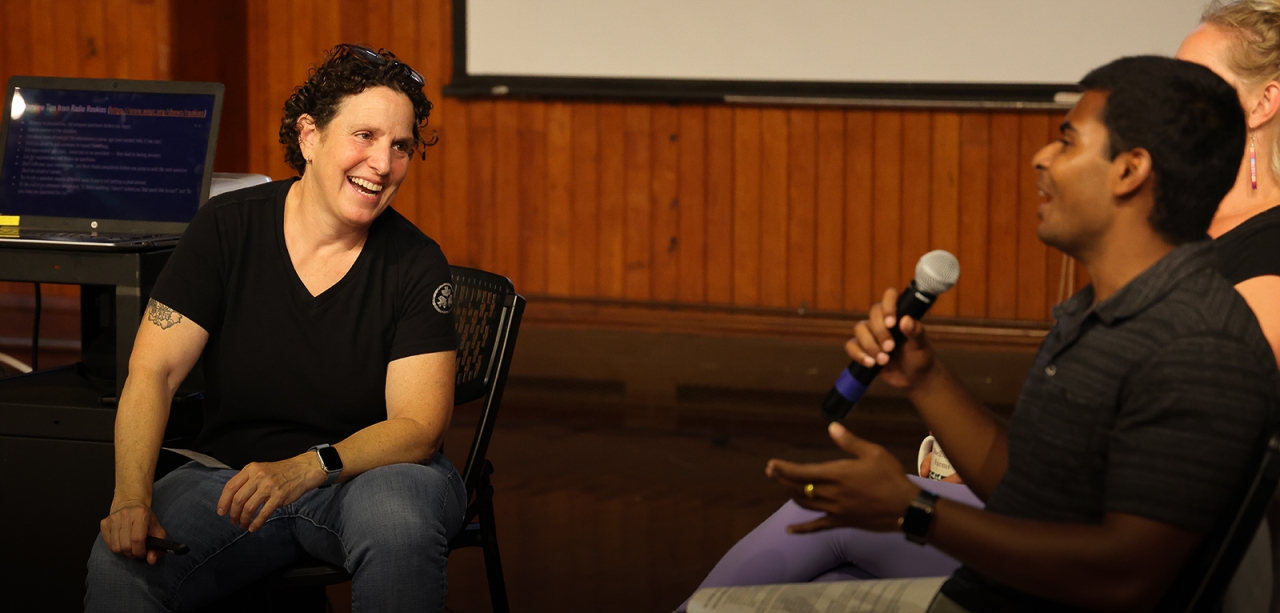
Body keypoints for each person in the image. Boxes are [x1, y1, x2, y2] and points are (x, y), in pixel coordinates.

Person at [680, 2, 1280, 609]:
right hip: (984, 591)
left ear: (1129, 171)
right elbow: (1030, 491)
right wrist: (925, 378)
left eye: (1067, 140)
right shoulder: (1107, 313)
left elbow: (1126, 578)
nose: (1041, 158)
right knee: (822, 579)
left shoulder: (1198, 344)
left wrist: (914, 510)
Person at [84, 44, 466, 612]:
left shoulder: (416, 263)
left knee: (399, 523)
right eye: (364, 136)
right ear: (309, 136)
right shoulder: (225, 228)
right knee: (123, 561)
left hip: (364, 476)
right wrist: (130, 497)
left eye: (400, 146)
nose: (382, 164)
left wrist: (309, 466)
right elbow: (154, 372)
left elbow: (418, 427)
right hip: (231, 479)